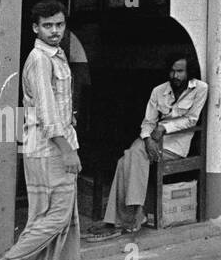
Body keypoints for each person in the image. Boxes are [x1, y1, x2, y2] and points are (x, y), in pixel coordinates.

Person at [0, 0, 84, 260]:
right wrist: (67, 150)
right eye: (48, 25)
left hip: (56, 147)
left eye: (59, 24)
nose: (55, 31)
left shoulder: (57, 56)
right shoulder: (40, 59)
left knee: (63, 217)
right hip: (50, 151)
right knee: (54, 219)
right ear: (36, 28)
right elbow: (48, 115)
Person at [85, 55, 208, 239]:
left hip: (175, 145)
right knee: (130, 157)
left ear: (189, 72)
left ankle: (123, 219)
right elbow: (148, 121)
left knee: (124, 160)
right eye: (172, 71)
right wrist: (148, 138)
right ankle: (134, 214)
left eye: (180, 71)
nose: (175, 75)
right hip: (151, 141)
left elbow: (192, 120)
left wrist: (164, 127)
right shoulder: (159, 90)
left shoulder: (200, 88)